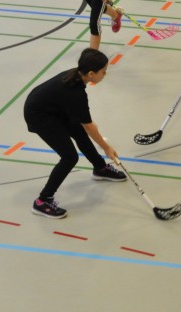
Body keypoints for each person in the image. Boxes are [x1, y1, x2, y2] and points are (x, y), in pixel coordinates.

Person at [23, 48, 125, 219]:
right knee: (69, 157)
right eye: (103, 71)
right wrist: (107, 148)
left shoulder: (75, 76)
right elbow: (90, 127)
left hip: (53, 108)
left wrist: (90, 128)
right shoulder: (76, 94)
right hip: (40, 116)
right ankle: (42, 201)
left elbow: (85, 126)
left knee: (79, 132)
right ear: (91, 74)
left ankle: (100, 168)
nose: (105, 74)